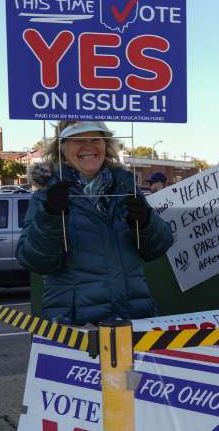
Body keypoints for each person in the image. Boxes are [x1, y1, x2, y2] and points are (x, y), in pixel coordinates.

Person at [17, 120, 174, 325]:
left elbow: (158, 247)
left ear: (105, 145)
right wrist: (50, 216)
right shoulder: (47, 196)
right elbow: (34, 261)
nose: (88, 146)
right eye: (78, 140)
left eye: (95, 139)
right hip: (76, 326)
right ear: (63, 149)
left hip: (134, 318)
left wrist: (146, 223)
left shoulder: (125, 188)